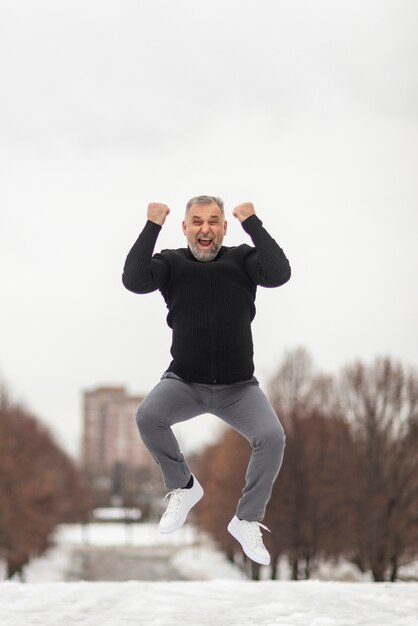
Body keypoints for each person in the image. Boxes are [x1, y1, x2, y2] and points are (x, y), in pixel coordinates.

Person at [122, 195, 291, 565]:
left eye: (213, 221)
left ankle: (246, 519)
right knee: (148, 416)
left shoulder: (243, 259)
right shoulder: (171, 263)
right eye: (196, 221)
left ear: (224, 228)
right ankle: (183, 486)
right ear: (184, 228)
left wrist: (253, 222)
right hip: (184, 382)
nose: (205, 229)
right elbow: (134, 281)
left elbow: (279, 274)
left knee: (272, 437)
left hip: (239, 388)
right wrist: (152, 225)